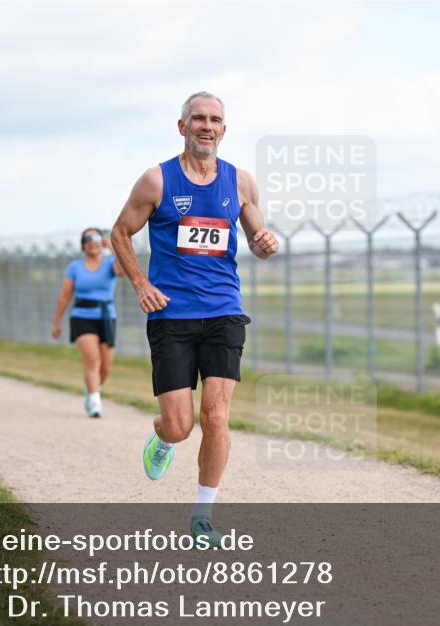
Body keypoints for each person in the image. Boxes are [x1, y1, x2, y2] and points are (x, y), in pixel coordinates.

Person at [111, 91, 279, 547]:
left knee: (217, 417)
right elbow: (120, 232)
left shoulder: (241, 182)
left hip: (224, 310)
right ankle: (162, 437)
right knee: (181, 425)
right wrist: (142, 285)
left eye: (216, 119)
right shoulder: (156, 181)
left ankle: (202, 516)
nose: (207, 126)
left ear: (225, 129)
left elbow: (257, 234)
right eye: (199, 118)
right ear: (182, 126)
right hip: (171, 315)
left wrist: (265, 243)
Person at [51, 227, 124, 418]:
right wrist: (56, 323)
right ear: (83, 245)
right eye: (88, 239)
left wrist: (114, 247)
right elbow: (65, 296)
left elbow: (123, 271)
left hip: (107, 316)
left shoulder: (110, 264)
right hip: (82, 317)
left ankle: (91, 389)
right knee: (93, 360)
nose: (93, 242)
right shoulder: (75, 267)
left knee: (105, 367)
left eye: (97, 238)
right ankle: (94, 402)